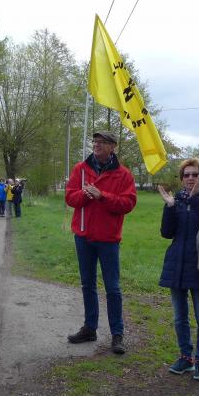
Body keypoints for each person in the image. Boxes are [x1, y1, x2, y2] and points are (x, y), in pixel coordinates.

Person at [65, 131, 137, 354]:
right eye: (95, 141)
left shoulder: (123, 174)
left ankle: (117, 334)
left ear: (113, 146)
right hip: (84, 236)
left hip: (108, 239)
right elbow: (70, 197)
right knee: (87, 284)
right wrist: (85, 195)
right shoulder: (81, 169)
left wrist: (102, 196)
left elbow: (128, 204)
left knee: (112, 287)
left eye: (102, 142)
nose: (96, 145)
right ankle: (90, 328)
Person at [158, 158, 199, 382]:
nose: (191, 178)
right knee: (179, 317)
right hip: (177, 264)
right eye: (186, 175)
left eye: (195, 174)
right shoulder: (177, 199)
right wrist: (169, 207)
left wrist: (196, 200)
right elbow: (167, 233)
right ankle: (186, 357)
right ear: (181, 178)